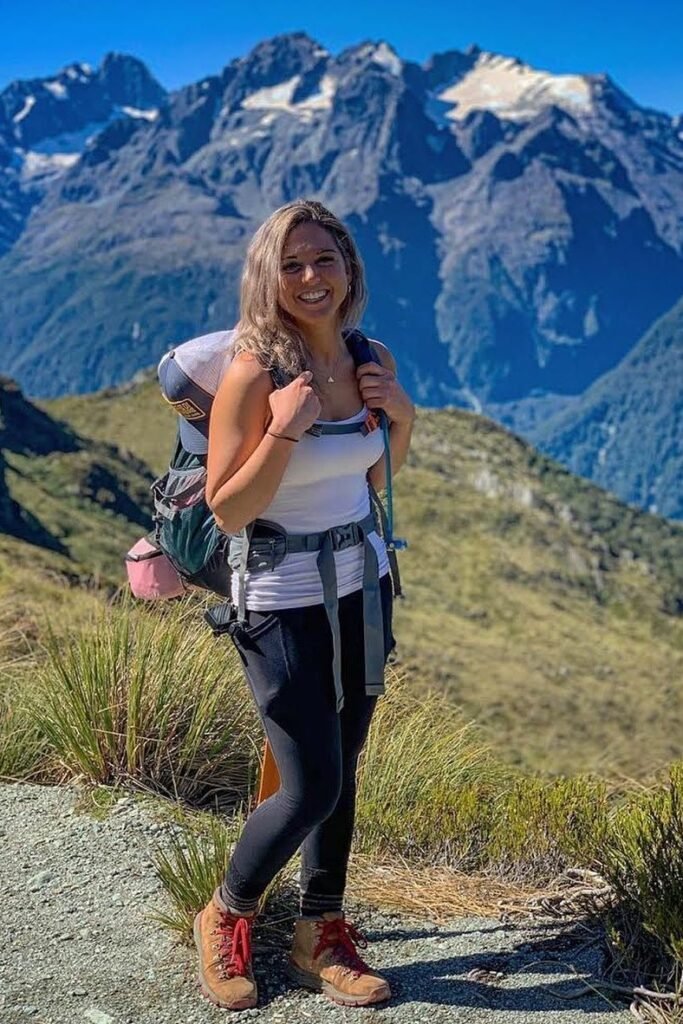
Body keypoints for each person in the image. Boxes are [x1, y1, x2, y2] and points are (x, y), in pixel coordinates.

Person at [193, 198, 416, 1011]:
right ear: (268, 276)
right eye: (291, 265)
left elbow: (373, 477)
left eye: (325, 259)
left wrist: (402, 416)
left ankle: (319, 929)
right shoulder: (256, 375)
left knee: (341, 769)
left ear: (349, 269)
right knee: (310, 782)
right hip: (278, 599)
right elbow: (227, 509)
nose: (311, 277)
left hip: (363, 585)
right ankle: (225, 912)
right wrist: (282, 431)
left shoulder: (368, 357)